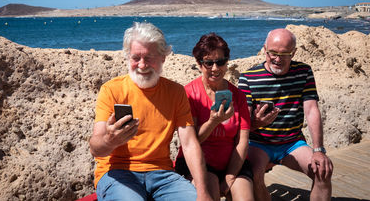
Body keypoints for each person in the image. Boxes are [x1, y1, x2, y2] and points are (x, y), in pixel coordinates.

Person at [89, 22, 213, 201]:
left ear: (163, 57)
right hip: (118, 173)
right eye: (136, 58)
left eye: (149, 58)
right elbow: (96, 149)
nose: (142, 65)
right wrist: (110, 140)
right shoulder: (111, 90)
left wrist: (202, 191)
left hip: (162, 175)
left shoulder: (176, 92)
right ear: (127, 57)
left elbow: (189, 144)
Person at [238, 28, 333, 201]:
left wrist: (319, 150)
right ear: (264, 49)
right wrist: (255, 123)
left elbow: (311, 110)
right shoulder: (248, 77)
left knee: (323, 171)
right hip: (259, 143)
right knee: (253, 176)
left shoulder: (304, 72)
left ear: (294, 53)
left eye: (284, 54)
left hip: (292, 142)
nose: (277, 59)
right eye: (272, 53)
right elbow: (243, 121)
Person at [175, 33, 254, 201]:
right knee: (209, 187)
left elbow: (242, 141)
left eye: (220, 62)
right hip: (200, 161)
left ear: (227, 62)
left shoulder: (238, 95)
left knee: (245, 196)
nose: (215, 68)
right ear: (199, 64)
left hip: (233, 161)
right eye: (208, 63)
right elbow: (191, 141)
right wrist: (213, 121)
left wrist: (230, 176)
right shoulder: (189, 94)